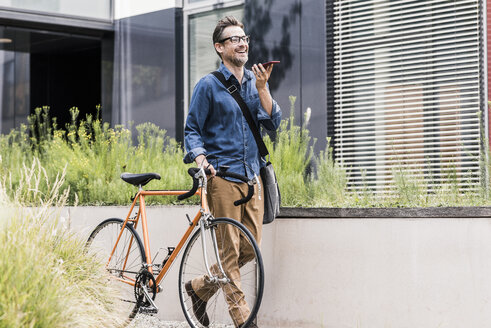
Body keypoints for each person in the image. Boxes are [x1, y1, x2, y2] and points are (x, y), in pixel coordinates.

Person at [183, 16, 282, 328]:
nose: (242, 43)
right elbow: (192, 131)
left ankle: (199, 288)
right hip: (222, 179)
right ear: (219, 47)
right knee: (229, 255)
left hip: (252, 178)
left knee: (249, 251)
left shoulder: (256, 83)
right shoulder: (208, 86)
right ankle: (245, 321)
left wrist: (264, 88)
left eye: (244, 38)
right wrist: (201, 162)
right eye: (234, 39)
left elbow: (274, 122)